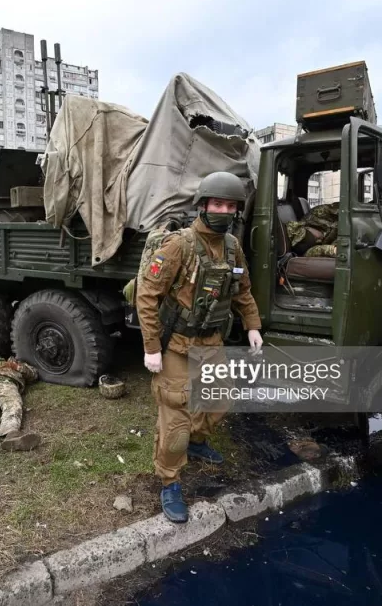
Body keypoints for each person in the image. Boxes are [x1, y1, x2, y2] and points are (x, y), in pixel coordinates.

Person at [134, 171, 263, 523]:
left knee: (220, 399)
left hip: (211, 341)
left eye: (231, 206)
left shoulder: (232, 246)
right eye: (218, 204)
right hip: (177, 345)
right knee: (175, 417)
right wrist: (151, 347)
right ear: (203, 205)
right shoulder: (179, 245)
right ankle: (170, 481)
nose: (225, 211)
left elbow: (242, 290)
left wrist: (252, 325)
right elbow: (147, 295)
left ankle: (197, 440)